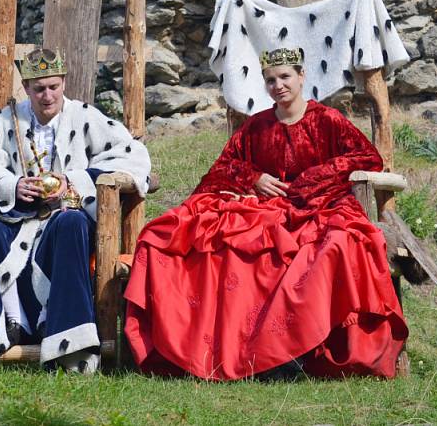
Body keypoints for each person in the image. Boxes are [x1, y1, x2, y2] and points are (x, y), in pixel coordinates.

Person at [124, 47, 408, 380]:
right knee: (211, 243)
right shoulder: (257, 126)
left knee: (332, 247)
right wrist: (252, 177)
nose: (278, 85)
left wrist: (312, 179)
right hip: (264, 210)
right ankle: (235, 353)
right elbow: (222, 169)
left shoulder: (327, 120)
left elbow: (365, 157)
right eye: (271, 80)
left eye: (285, 77)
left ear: (302, 77)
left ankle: (300, 352)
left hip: (320, 206)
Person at [0, 48, 151, 375]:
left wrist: (75, 181)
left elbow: (134, 159)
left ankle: (70, 349)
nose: (47, 95)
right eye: (39, 89)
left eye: (53, 86)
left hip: (63, 218)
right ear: (26, 88)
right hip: (16, 220)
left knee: (72, 224)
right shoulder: (8, 120)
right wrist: (13, 186)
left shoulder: (85, 117)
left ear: (64, 82)